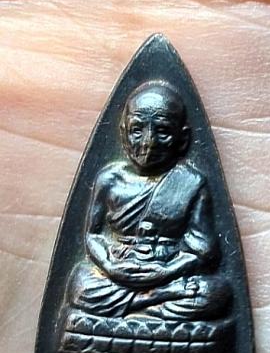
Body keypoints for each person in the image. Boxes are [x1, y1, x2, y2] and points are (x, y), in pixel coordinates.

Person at [66, 81, 230, 321]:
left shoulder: (191, 183)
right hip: (119, 270)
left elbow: (205, 251)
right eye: (137, 130)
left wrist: (166, 271)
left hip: (169, 268)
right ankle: (154, 301)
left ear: (182, 139)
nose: (148, 142)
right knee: (81, 285)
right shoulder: (109, 179)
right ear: (123, 133)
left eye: (162, 131)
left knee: (216, 293)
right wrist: (110, 266)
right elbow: (93, 235)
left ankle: (134, 306)